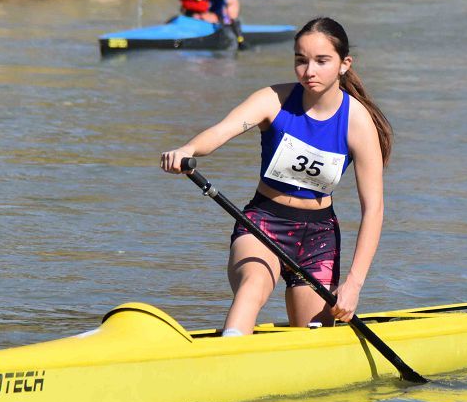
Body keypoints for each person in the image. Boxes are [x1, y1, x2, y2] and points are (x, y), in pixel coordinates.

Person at [160, 17, 392, 335]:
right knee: (253, 286)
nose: (309, 71)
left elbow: (374, 209)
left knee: (313, 334)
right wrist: (187, 148)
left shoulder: (358, 122)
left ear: (343, 64)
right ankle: (227, 361)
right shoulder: (273, 100)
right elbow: (220, 132)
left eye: (322, 61)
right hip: (264, 223)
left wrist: (353, 285)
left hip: (318, 238)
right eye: (301, 60)